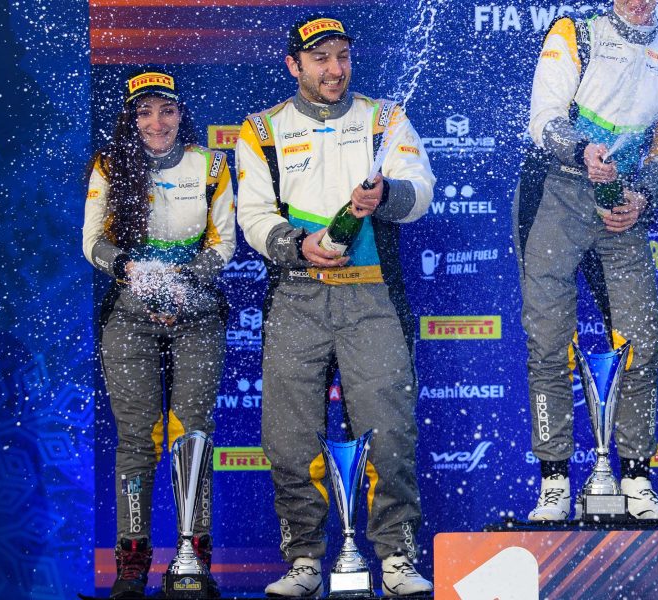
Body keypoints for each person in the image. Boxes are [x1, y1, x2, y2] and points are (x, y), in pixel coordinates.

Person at [234, 14, 436, 597]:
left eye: (342, 56)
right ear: (294, 65)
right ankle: (303, 561)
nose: (334, 69)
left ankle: (395, 557)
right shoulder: (262, 129)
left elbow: (421, 191)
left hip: (371, 295)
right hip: (296, 297)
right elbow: (253, 216)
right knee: (290, 438)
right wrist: (297, 244)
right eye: (320, 58)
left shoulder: (384, 118)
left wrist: (386, 195)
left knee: (388, 431)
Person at [516, 0, 658, 522]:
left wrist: (644, 196)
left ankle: (634, 479)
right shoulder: (576, 31)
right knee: (549, 343)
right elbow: (544, 118)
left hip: (619, 203)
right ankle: (554, 484)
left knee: (642, 341)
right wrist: (581, 149)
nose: (639, 2)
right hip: (556, 193)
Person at [83, 70, 234, 599]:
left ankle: (193, 560)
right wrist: (135, 273)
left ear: (180, 114)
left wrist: (182, 284)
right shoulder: (109, 164)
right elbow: (93, 243)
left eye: (166, 110)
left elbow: (223, 243)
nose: (156, 122)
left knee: (193, 435)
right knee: (136, 438)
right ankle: (131, 566)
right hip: (129, 314)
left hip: (196, 313)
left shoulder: (210, 164)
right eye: (144, 112)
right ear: (130, 119)